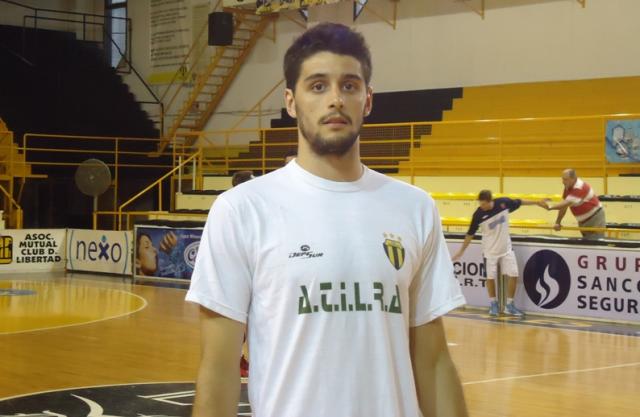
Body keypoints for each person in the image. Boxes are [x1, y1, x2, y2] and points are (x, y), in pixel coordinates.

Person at [186, 22, 468, 417]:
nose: (335, 99)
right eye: (318, 86)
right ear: (291, 102)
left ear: (367, 101)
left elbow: (434, 362)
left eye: (349, 86)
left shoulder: (414, 207)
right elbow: (218, 371)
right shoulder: (242, 209)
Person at [451, 190, 547, 317]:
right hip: (489, 251)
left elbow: (519, 202)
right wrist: (461, 251)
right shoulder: (478, 214)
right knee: (490, 277)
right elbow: (470, 234)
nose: (481, 206)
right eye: (480, 204)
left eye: (483, 204)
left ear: (490, 201)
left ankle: (509, 305)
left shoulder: (503, 203)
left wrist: (537, 202)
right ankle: (493, 304)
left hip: (506, 249)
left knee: (514, 274)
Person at [546, 168, 606, 240]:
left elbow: (565, 204)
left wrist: (549, 207)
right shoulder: (568, 188)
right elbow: (564, 206)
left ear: (573, 179)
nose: (563, 182)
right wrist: (558, 222)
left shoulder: (579, 187)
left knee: (596, 243)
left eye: (565, 179)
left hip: (595, 219)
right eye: (562, 179)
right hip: (583, 221)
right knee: (587, 243)